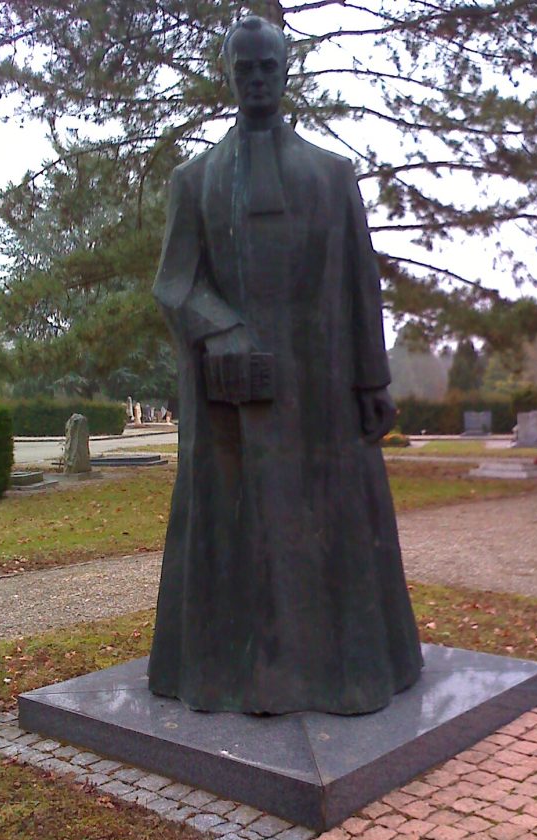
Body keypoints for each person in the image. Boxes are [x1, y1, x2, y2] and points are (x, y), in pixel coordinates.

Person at [147, 15, 422, 714]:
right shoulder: (194, 180)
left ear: (287, 70)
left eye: (268, 66)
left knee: (331, 530)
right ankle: (234, 674)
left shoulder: (332, 175)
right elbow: (174, 283)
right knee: (239, 531)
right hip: (233, 403)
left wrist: (373, 378)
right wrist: (222, 329)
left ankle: (343, 671)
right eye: (244, 69)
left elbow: (360, 280)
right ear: (228, 76)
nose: (257, 80)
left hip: (322, 388)